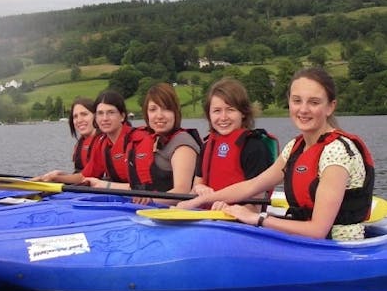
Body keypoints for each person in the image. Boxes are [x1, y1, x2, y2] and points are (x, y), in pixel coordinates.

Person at [177, 67, 375, 241]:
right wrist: (198, 201)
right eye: (297, 101)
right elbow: (252, 185)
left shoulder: (337, 152)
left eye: (314, 102)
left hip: (338, 249)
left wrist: (258, 218)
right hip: (307, 243)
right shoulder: (295, 147)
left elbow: (317, 230)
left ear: (330, 107)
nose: (303, 109)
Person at [85, 83, 201, 205]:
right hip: (150, 208)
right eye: (153, 110)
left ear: (175, 112)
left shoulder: (182, 144)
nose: (159, 115)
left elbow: (181, 192)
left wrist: (149, 200)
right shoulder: (151, 140)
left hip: (173, 213)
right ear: (147, 113)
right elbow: (137, 187)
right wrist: (101, 184)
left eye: (166, 108)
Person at [189, 78, 277, 212]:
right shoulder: (207, 146)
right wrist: (198, 189)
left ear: (243, 113)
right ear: (209, 115)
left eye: (230, 110)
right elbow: (193, 191)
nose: (223, 117)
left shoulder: (254, 147)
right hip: (207, 219)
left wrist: (229, 210)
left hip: (237, 224)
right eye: (217, 111)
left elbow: (255, 207)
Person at [37, 89, 134, 185]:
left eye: (84, 114)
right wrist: (56, 177)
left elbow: (144, 186)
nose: (105, 118)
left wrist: (105, 185)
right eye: (75, 116)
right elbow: (85, 176)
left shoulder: (135, 140)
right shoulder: (102, 144)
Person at [35, 97, 99, 181]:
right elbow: (81, 173)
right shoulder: (80, 144)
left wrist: (56, 178)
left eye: (84, 114)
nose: (79, 120)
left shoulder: (102, 143)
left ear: (96, 116)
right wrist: (61, 174)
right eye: (75, 116)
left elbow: (87, 177)